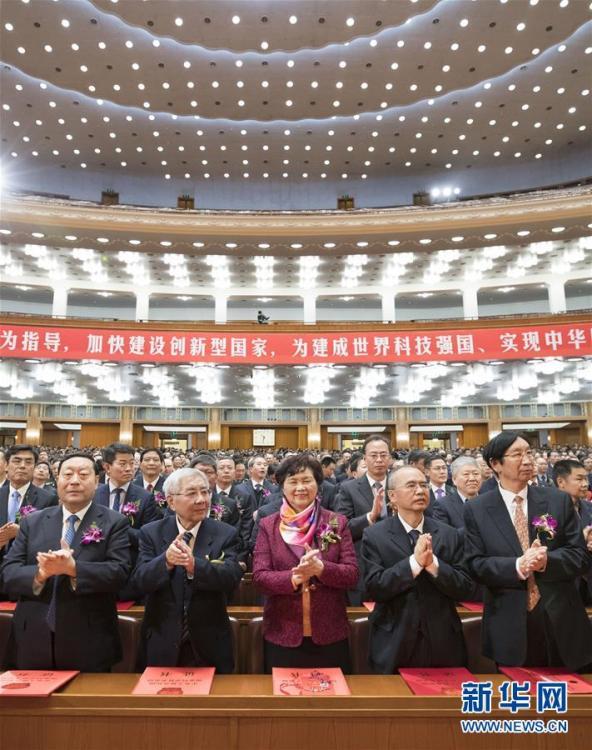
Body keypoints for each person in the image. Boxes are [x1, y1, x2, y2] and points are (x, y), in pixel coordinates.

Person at [464, 432, 592, 670]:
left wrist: (546, 561)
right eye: (517, 454)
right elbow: (475, 564)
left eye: (528, 453)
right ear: (495, 464)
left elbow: (580, 555)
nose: (527, 460)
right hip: (508, 621)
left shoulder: (557, 501)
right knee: (518, 690)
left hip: (561, 618)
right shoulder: (477, 509)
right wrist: (517, 566)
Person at [0, 453, 131, 671]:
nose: (74, 481)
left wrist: (74, 569)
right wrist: (40, 573)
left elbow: (120, 572)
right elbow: (9, 572)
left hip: (89, 639)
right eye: (67, 474)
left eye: (83, 475)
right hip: (32, 637)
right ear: (57, 480)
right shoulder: (33, 522)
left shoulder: (114, 522)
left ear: (96, 481)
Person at [253, 454, 358, 673]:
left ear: (318, 485)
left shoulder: (336, 522)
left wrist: (322, 569)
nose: (300, 487)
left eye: (307, 480)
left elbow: (352, 575)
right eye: (293, 481)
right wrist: (294, 577)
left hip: (330, 633)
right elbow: (260, 578)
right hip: (283, 633)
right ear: (282, 487)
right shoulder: (268, 525)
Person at [362, 466, 473, 673]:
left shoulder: (449, 534)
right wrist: (414, 563)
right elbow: (374, 587)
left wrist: (433, 565)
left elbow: (465, 587)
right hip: (394, 639)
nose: (420, 491)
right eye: (411, 485)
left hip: (443, 638)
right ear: (392, 496)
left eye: (423, 485)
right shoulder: (375, 535)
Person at [132, 468, 243, 671]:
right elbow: (140, 581)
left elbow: (231, 577)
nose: (201, 499)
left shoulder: (225, 533)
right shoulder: (151, 532)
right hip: (161, 639)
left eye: (205, 492)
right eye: (192, 493)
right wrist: (166, 561)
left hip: (210, 642)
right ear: (171, 501)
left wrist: (195, 566)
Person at [335, 435, 392, 605]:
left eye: (383, 455)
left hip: (397, 563)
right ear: (365, 458)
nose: (379, 459)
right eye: (374, 455)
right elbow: (342, 528)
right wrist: (370, 516)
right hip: (364, 562)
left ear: (390, 458)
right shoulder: (349, 488)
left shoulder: (401, 485)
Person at [0, 445, 57, 568]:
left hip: (25, 566)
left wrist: (21, 531)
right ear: (6, 465)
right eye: (17, 461)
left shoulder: (48, 499)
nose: (22, 466)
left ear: (34, 467)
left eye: (28, 462)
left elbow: (50, 537)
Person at [552, 459, 592, 605]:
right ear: (561, 482)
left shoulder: (589, 507)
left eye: (586, 479)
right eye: (579, 479)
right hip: (563, 585)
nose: (585, 484)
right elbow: (546, 548)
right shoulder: (546, 511)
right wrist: (580, 541)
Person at [432, 456, 482, 535]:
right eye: (466, 474)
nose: (472, 478)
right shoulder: (443, 505)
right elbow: (444, 537)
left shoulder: (490, 500)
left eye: (476, 474)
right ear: (454, 479)